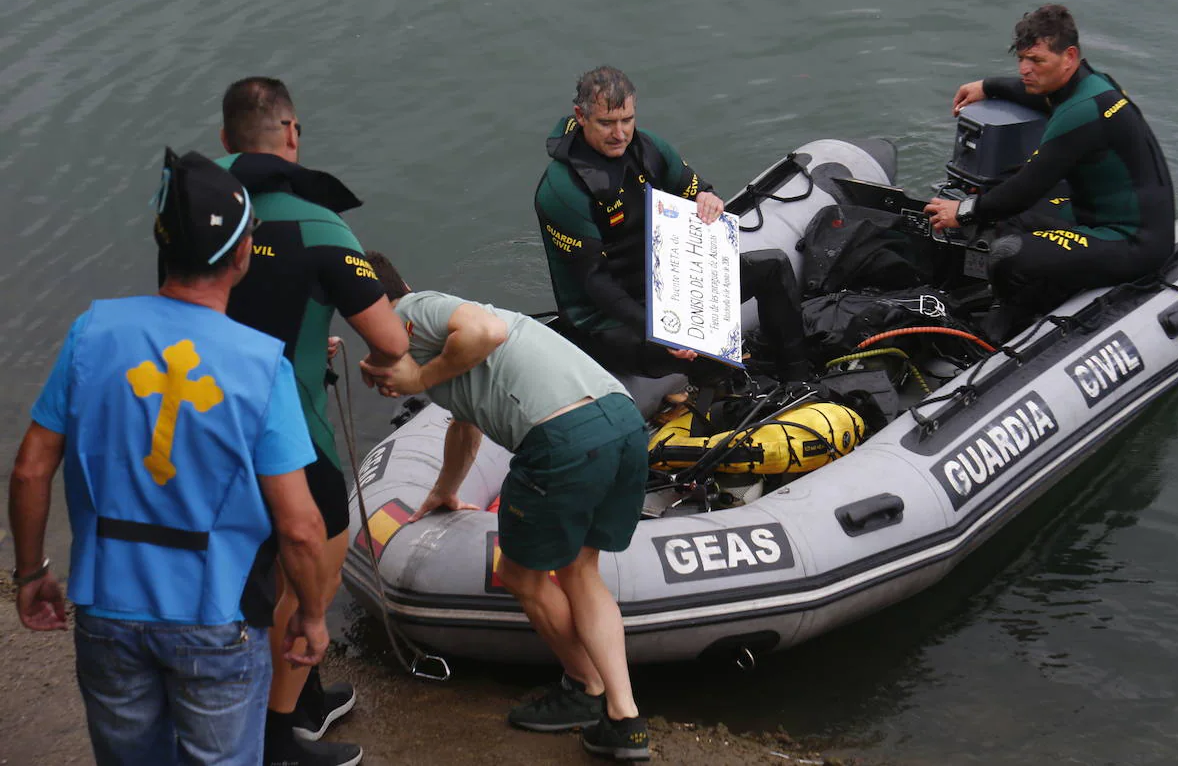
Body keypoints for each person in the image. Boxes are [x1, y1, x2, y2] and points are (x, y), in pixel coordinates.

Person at [8, 149, 330, 766]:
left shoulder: (92, 331)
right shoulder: (262, 365)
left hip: (106, 608)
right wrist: (313, 614)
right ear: (240, 257)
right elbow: (300, 526)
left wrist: (30, 574)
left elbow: (30, 469)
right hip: (216, 616)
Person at [358, 251, 654, 762]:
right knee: (582, 569)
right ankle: (624, 720)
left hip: (562, 439)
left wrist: (418, 381)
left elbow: (486, 332)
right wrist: (446, 491)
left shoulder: (412, 311)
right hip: (622, 422)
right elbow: (464, 425)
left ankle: (586, 691)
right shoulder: (446, 349)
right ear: (401, 274)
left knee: (523, 577)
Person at [216, 77, 410, 766]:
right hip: (287, 429)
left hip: (205, 430)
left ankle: (303, 698)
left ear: (224, 141)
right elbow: (389, 340)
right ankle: (277, 740)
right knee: (310, 581)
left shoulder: (203, 215)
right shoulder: (320, 225)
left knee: (255, 570)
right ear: (292, 134)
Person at [535, 65, 807, 381]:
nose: (620, 134)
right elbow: (595, 284)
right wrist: (661, 328)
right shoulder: (562, 189)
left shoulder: (648, 148)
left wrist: (706, 196)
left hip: (667, 287)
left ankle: (798, 378)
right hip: (605, 321)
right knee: (705, 345)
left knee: (771, 266)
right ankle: (724, 399)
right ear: (580, 117)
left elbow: (692, 184)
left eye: (627, 120)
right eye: (606, 123)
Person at [925, 4, 1176, 336]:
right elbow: (1035, 96)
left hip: (1132, 241)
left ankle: (1004, 330)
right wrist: (988, 86)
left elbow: (1026, 188)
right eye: (1022, 60)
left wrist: (964, 211)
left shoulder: (1080, 113)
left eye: (1037, 61)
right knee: (1004, 214)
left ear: (1069, 56)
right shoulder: (1093, 85)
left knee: (1007, 253)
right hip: (1099, 212)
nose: (1026, 70)